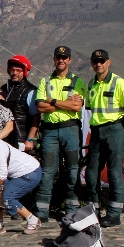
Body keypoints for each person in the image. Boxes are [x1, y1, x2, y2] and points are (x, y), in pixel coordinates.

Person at [34, 46, 87, 223]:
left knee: (73, 170)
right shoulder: (45, 81)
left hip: (70, 129)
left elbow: (76, 107)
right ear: (54, 59)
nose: (61, 60)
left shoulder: (78, 81)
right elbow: (40, 107)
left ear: (70, 60)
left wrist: (53, 101)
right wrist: (65, 103)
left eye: (64, 57)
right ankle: (42, 210)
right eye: (58, 57)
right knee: (47, 171)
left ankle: (72, 209)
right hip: (49, 130)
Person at [85, 49, 124, 227]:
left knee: (114, 173)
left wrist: (123, 126)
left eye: (102, 61)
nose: (98, 64)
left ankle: (114, 214)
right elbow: (90, 108)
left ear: (108, 62)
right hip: (97, 132)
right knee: (91, 174)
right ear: (91, 63)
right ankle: (94, 211)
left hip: (115, 130)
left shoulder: (119, 83)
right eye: (95, 61)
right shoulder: (90, 84)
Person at [0, 55, 39, 151]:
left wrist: (30, 139)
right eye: (12, 70)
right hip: (3, 136)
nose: (14, 73)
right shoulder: (4, 88)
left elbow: (35, 117)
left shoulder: (31, 91)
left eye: (18, 70)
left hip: (20, 137)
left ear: (24, 71)